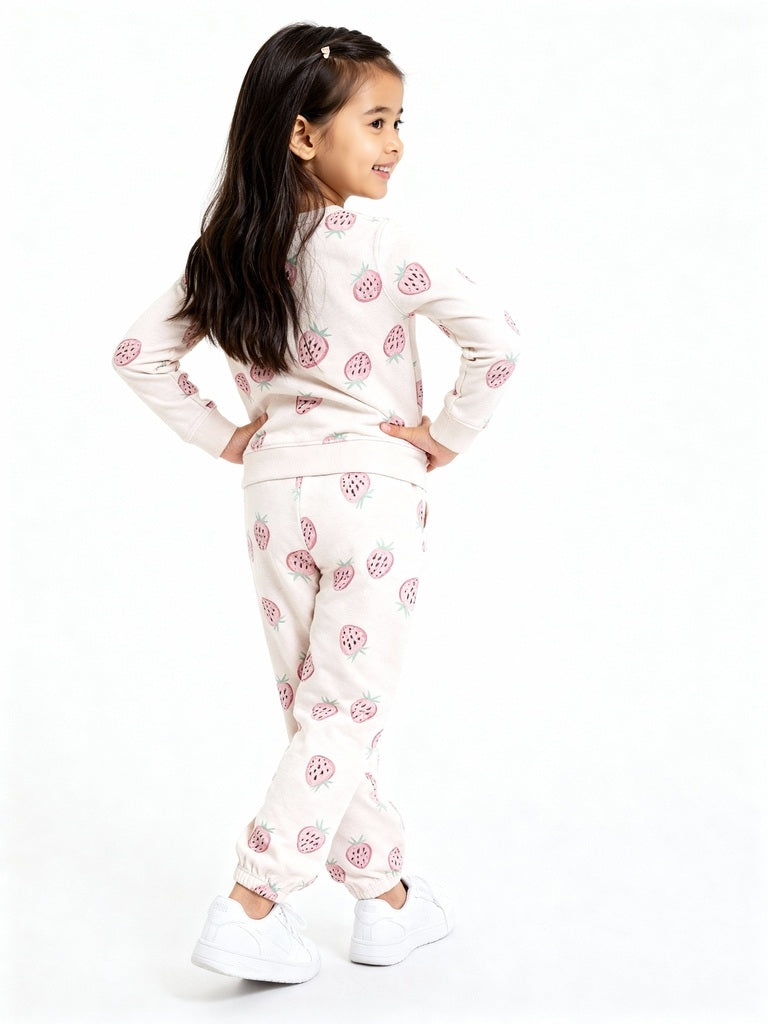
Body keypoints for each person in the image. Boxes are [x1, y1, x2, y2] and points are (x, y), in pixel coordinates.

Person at [113, 22, 519, 984]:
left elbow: (137, 356)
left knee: (320, 710)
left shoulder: (231, 251)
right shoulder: (383, 242)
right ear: (303, 134)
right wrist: (447, 435)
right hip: (373, 494)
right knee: (343, 708)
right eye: (376, 122)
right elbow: (497, 343)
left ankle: (386, 900)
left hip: (273, 498)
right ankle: (253, 901)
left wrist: (229, 436)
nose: (396, 144)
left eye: (400, 122)